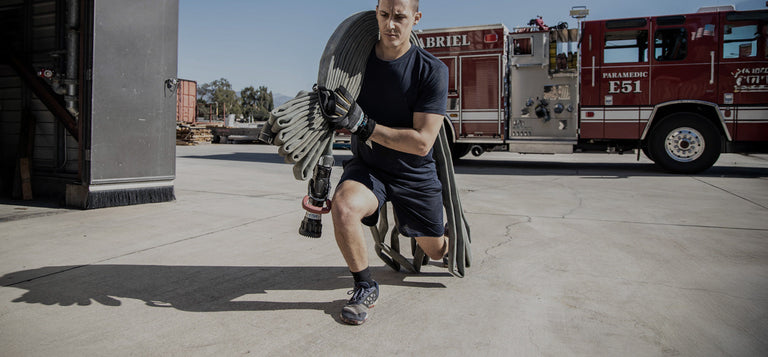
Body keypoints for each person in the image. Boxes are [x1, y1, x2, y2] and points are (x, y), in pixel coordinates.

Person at [320, 0, 449, 325]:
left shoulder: (431, 70)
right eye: (384, 15)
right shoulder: (355, 64)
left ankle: (442, 236)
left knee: (436, 252)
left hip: (414, 173)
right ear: (376, 13)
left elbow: (422, 143)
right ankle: (364, 285)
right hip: (370, 166)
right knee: (344, 207)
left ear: (415, 19)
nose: (391, 24)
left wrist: (364, 126)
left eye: (400, 17)